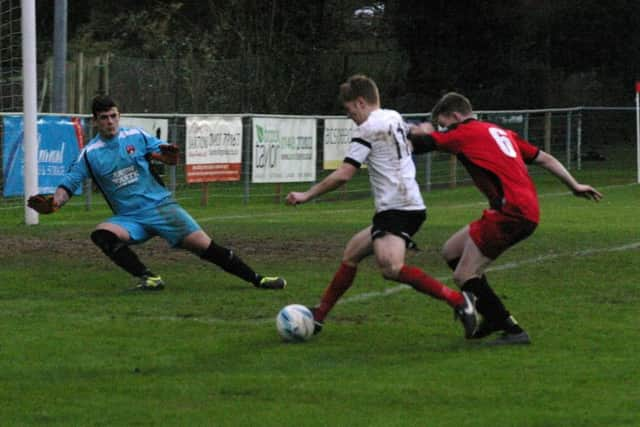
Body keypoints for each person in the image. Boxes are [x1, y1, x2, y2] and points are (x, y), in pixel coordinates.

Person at [27, 95, 286, 291]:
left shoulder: (136, 135)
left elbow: (164, 154)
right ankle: (149, 277)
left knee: (206, 248)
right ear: (95, 121)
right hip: (129, 218)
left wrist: (169, 157)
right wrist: (55, 203)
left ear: (119, 116)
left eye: (113, 116)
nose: (110, 122)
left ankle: (258, 279)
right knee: (102, 234)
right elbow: (69, 182)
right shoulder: (90, 153)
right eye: (104, 117)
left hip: (162, 208)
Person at [286, 75, 479, 338]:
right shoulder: (393, 116)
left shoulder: (368, 129)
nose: (349, 115)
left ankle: (459, 301)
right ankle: (319, 316)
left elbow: (344, 174)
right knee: (352, 253)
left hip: (399, 207)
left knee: (391, 267)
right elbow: (417, 134)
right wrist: (425, 129)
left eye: (349, 109)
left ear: (361, 102)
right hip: (402, 205)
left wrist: (307, 194)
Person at [408, 92, 602, 345]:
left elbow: (422, 143)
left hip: (511, 211)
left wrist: (416, 131)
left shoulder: (464, 133)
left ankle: (511, 329)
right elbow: (545, 158)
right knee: (451, 251)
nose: (444, 130)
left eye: (444, 124)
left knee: (463, 274)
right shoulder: (499, 132)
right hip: (520, 209)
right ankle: (492, 319)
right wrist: (574, 185)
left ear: (455, 116)